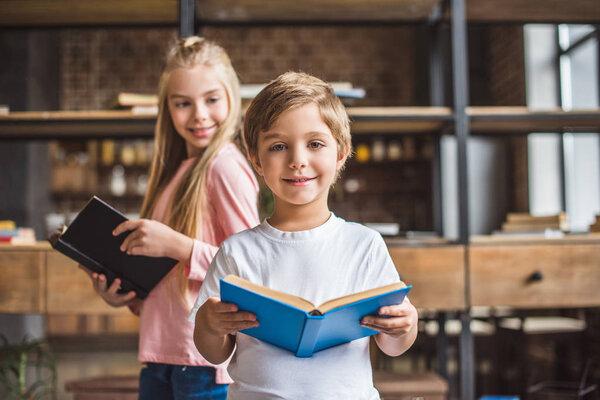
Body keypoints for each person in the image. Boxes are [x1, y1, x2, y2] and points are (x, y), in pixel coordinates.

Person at [189, 71, 418, 400]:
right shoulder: (236, 252)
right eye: (279, 146)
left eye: (315, 144)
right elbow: (214, 353)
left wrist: (405, 326)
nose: (298, 160)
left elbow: (393, 346)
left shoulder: (364, 246)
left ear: (341, 152)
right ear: (256, 158)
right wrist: (209, 326)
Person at [79, 36, 259, 400]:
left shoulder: (224, 165)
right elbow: (172, 282)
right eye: (183, 103)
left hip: (203, 364)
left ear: (231, 98)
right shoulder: (176, 172)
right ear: (167, 108)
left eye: (211, 99)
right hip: (164, 355)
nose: (199, 115)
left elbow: (252, 269)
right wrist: (128, 294)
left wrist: (179, 246)